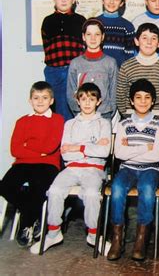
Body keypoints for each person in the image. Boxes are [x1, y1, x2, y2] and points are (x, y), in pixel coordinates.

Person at [30, 83, 112, 254]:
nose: (87, 103)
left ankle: (93, 234)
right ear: (77, 101)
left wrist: (78, 147)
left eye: (91, 99)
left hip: (94, 169)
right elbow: (65, 154)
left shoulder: (104, 123)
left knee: (91, 194)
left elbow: (104, 152)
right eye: (83, 99)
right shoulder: (70, 124)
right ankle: (53, 233)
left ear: (99, 101)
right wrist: (91, 146)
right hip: (71, 168)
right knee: (54, 191)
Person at [107, 79, 159, 261]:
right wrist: (144, 147)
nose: (142, 101)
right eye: (138, 97)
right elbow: (119, 153)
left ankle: (141, 240)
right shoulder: (123, 124)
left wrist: (131, 148)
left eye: (147, 97)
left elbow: (156, 156)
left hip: (151, 169)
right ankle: (117, 239)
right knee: (117, 189)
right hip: (127, 169)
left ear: (153, 101)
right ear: (132, 101)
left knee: (147, 190)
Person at [0, 81, 64, 248]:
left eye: (44, 98)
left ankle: (25, 225)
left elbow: (50, 147)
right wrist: (38, 151)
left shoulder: (57, 120)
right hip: (22, 163)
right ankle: (31, 217)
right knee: (4, 186)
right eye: (36, 98)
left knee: (39, 187)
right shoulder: (22, 121)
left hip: (47, 164)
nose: (40, 101)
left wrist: (28, 145)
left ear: (51, 100)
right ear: (30, 100)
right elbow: (15, 149)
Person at [41, 0, 86, 121]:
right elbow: (47, 46)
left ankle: (73, 139)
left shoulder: (80, 20)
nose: (64, 0)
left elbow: (84, 47)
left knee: (74, 105)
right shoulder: (48, 21)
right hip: (53, 70)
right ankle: (59, 140)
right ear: (54, 0)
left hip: (73, 69)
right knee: (56, 108)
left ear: (73, 0)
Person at [116, 23, 159, 122]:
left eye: (153, 38)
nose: (149, 42)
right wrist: (128, 115)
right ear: (136, 41)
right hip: (132, 115)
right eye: (144, 38)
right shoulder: (126, 66)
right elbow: (120, 96)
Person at [67, 18, 118, 120]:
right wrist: (78, 113)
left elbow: (114, 90)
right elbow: (71, 91)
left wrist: (110, 110)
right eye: (89, 34)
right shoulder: (75, 63)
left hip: (104, 114)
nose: (93, 38)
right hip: (82, 115)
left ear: (103, 37)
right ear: (83, 37)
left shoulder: (110, 63)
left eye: (97, 34)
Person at [96, 0, 136, 67]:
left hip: (119, 72)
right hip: (97, 70)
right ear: (102, 0)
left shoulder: (127, 26)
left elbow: (129, 55)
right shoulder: (94, 23)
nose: (111, 2)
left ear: (121, 3)